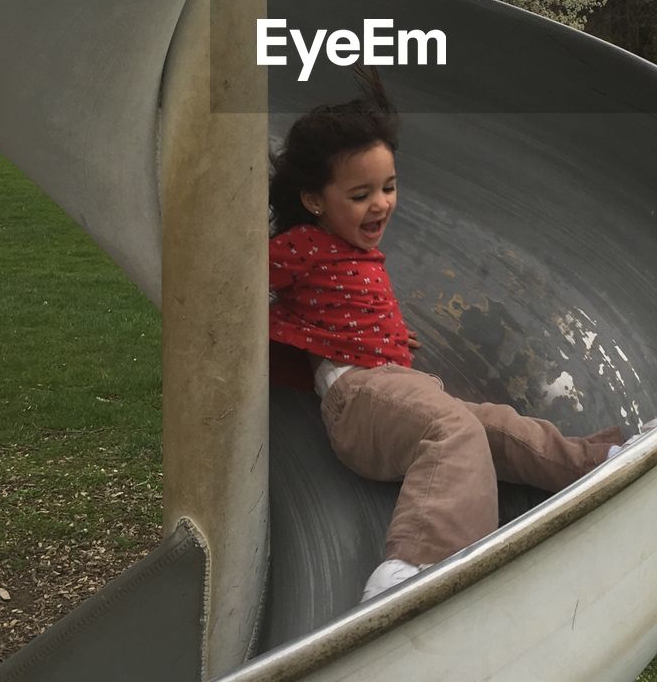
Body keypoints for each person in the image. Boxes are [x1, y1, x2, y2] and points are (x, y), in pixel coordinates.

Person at [268, 78, 628, 602]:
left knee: (493, 427)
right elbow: (236, 286)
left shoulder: (344, 248)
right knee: (452, 426)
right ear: (313, 200)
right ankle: (418, 568)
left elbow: (343, 304)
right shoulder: (304, 243)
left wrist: (383, 333)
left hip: (393, 384)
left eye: (388, 187)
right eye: (359, 194)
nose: (380, 205)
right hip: (357, 397)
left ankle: (595, 461)